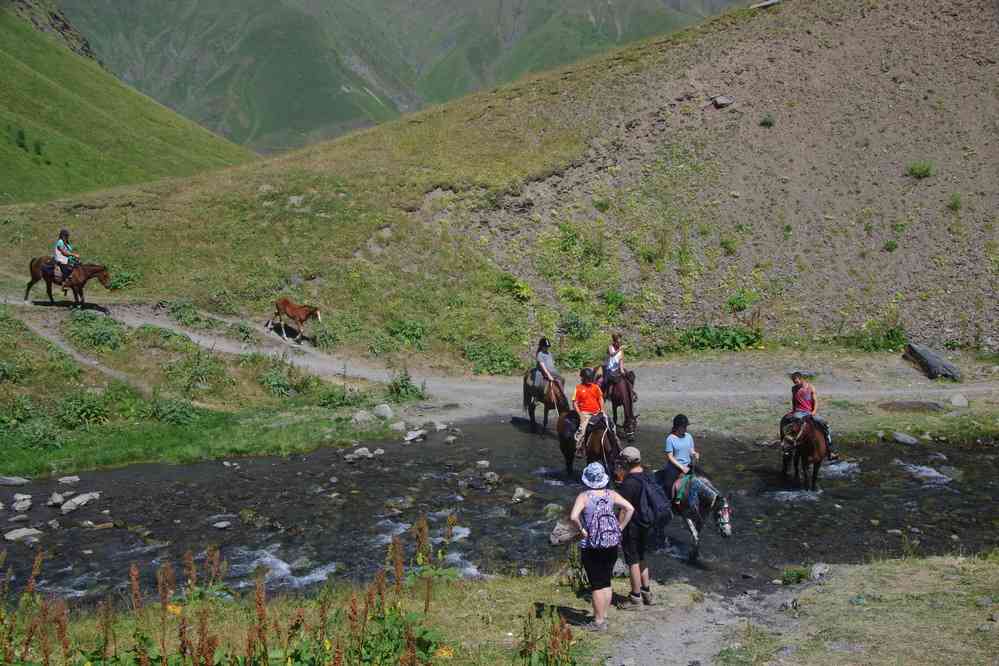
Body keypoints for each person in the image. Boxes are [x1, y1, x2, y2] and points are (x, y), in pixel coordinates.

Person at [569, 462, 634, 632]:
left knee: (596, 584)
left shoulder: (584, 496)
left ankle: (598, 622)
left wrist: (582, 530)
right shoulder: (611, 494)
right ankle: (603, 615)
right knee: (606, 581)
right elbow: (630, 508)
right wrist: (620, 528)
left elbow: (573, 516)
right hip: (611, 543)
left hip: (592, 545)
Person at [615, 446, 654, 608]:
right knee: (642, 557)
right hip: (647, 523)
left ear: (626, 462)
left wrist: (617, 529)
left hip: (633, 527)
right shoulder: (648, 476)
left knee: (632, 561)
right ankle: (647, 593)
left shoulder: (629, 483)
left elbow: (624, 509)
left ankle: (635, 598)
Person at [782, 372, 837, 460]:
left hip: (809, 412)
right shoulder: (794, 389)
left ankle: (830, 450)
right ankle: (789, 447)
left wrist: (814, 412)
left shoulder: (811, 388)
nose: (795, 383)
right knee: (794, 425)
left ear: (801, 379)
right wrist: (793, 410)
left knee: (825, 425)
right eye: (793, 381)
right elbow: (794, 400)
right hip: (798, 412)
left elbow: (815, 401)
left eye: (796, 381)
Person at [572, 367, 606, 456]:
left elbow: (600, 398)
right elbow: (574, 403)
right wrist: (580, 414)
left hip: (597, 411)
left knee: (610, 424)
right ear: (582, 378)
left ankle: (616, 443)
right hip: (585, 412)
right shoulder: (578, 388)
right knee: (582, 428)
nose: (589, 380)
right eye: (587, 378)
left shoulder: (596, 387)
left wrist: (602, 410)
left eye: (590, 378)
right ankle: (578, 447)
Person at [662, 414, 697, 500]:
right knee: (668, 485)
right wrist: (681, 467)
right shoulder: (670, 439)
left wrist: (694, 454)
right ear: (677, 427)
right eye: (684, 426)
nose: (686, 428)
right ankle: (668, 503)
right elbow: (670, 457)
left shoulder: (688, 436)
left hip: (688, 466)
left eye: (686, 426)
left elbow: (691, 450)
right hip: (674, 468)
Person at [603, 333, 637, 402]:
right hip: (610, 368)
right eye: (618, 342)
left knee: (630, 375)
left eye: (620, 342)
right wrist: (619, 349)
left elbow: (621, 359)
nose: (619, 343)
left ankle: (631, 392)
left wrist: (621, 369)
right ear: (614, 342)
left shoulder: (621, 349)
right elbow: (612, 354)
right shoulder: (610, 347)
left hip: (618, 368)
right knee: (609, 379)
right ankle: (607, 394)